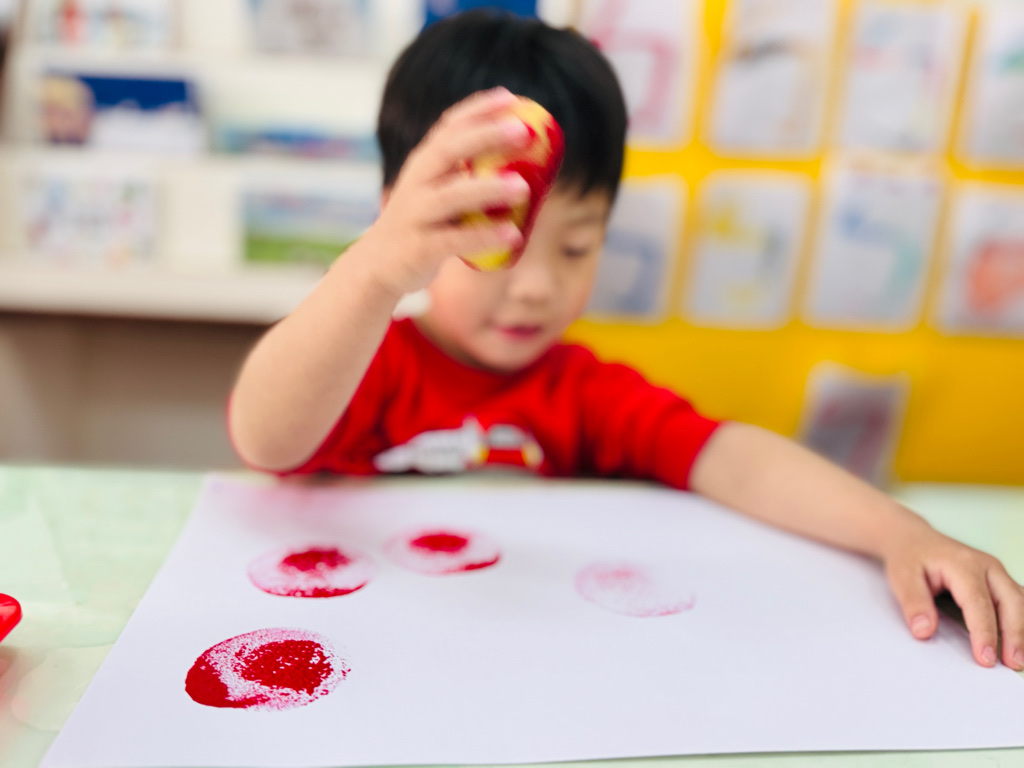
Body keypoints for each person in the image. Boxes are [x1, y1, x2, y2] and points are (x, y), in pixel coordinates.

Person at [229, 10, 1024, 671]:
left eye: (576, 247)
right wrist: (373, 269)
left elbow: (734, 458)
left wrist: (900, 533)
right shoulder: (366, 361)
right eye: (499, 244)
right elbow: (266, 439)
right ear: (406, 215)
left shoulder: (582, 393)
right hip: (376, 662)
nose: (537, 286)